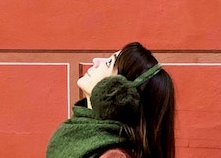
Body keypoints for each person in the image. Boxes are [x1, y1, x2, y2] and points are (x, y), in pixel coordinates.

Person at [46, 42, 176, 158]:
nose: (96, 61)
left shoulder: (112, 155)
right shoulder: (77, 132)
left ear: (119, 90)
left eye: (109, 63)